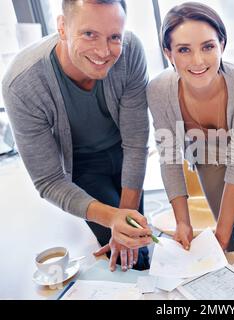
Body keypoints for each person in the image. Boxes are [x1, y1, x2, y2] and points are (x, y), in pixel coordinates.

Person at [2, 0, 152, 272]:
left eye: (114, 37)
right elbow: (48, 181)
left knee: (137, 245)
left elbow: (136, 143)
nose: (104, 51)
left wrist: (126, 220)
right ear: (62, 27)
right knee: (129, 263)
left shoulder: (130, 52)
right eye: (89, 34)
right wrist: (112, 218)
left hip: (124, 152)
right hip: (83, 165)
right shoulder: (21, 84)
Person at [147, 2, 234, 251]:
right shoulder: (158, 90)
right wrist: (183, 223)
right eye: (183, 50)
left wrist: (222, 236)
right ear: (168, 53)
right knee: (230, 239)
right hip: (206, 155)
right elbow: (170, 158)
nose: (198, 61)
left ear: (222, 45)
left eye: (208, 47)